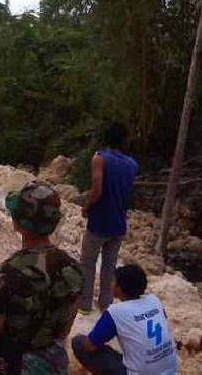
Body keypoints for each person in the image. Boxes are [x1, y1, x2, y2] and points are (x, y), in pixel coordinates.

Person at [0, 181, 84, 374]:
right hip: (53, 361)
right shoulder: (75, 269)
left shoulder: (6, 274)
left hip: (13, 363)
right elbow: (67, 323)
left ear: (18, 223)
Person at [71, 264, 178, 375]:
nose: (111, 284)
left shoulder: (116, 312)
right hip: (170, 370)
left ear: (120, 288)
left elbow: (89, 345)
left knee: (79, 343)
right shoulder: (154, 301)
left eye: (113, 282)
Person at [80, 124, 139, 314]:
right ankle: (105, 304)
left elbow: (97, 190)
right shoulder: (132, 164)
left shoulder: (100, 158)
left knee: (88, 263)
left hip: (99, 220)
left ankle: (84, 304)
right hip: (119, 222)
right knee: (109, 266)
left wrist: (87, 207)